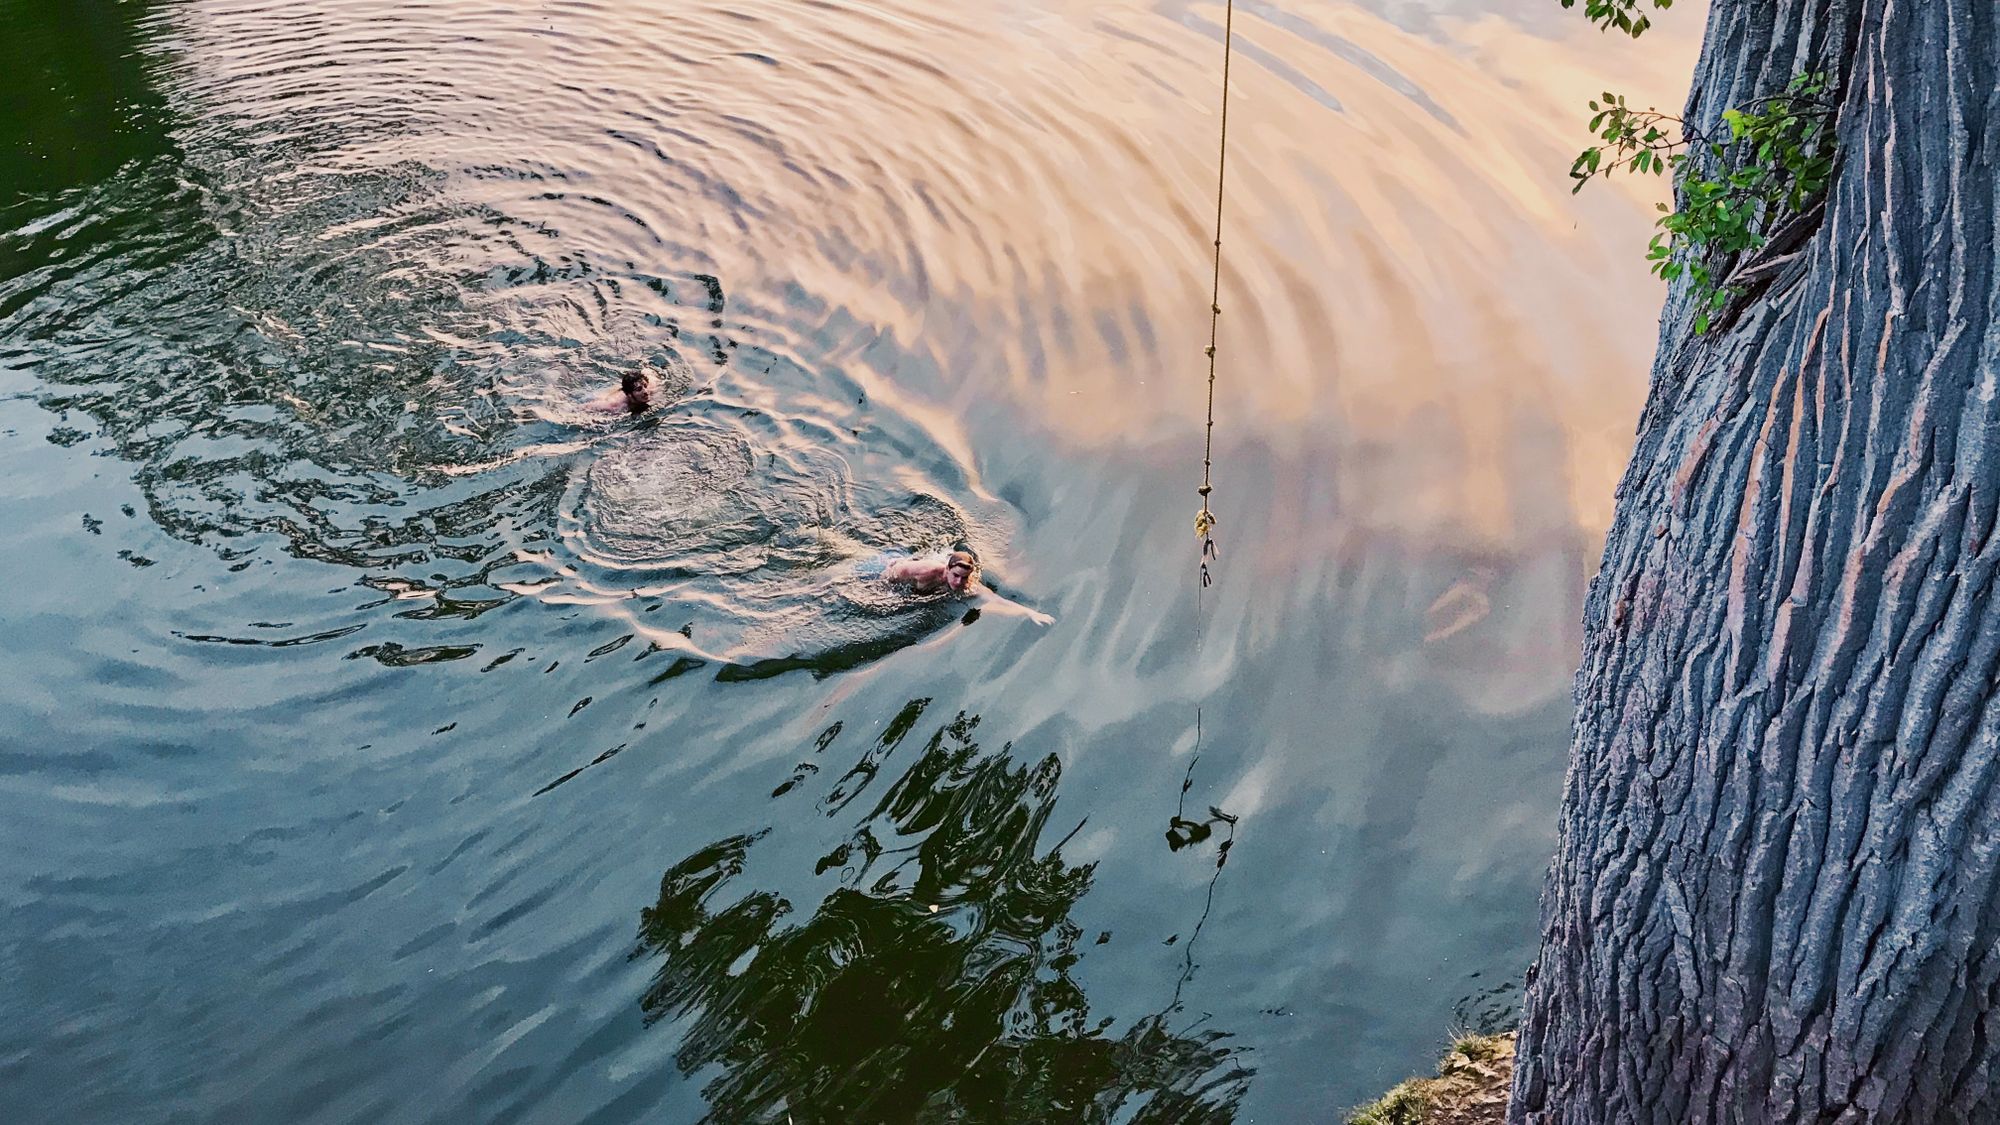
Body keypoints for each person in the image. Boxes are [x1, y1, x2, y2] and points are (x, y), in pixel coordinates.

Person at [881, 549, 1053, 626]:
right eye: (955, 576)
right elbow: (893, 571)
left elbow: (996, 599)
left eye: (964, 578)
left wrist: (1030, 613)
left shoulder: (969, 586)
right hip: (884, 564)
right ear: (947, 569)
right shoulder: (927, 570)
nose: (958, 582)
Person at [589, 369, 657, 414]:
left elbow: (648, 370)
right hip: (604, 394)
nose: (645, 391)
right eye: (639, 389)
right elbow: (586, 407)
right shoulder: (615, 405)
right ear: (629, 395)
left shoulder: (651, 386)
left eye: (645, 386)